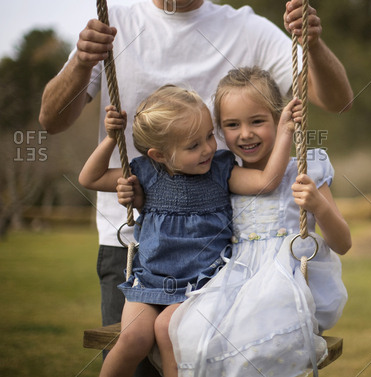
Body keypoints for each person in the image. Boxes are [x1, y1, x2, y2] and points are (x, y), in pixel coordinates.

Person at [39, 0, 352, 374]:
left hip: (216, 260)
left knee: (197, 362)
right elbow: (51, 121)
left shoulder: (248, 29)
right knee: (132, 353)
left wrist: (313, 45)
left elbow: (336, 99)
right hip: (130, 242)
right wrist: (80, 61)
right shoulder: (117, 25)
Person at [119, 67, 350, 376]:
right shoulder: (220, 176)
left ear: (280, 118)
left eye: (257, 121)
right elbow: (172, 199)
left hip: (280, 284)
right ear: (219, 129)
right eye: (231, 124)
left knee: (247, 344)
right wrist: (134, 194)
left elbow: (343, 243)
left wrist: (318, 206)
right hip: (225, 283)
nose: (245, 133)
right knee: (181, 331)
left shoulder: (308, 170)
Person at [78, 84, 303, 377]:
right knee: (133, 338)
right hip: (148, 283)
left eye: (210, 136)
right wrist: (111, 139)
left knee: (169, 332)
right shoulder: (145, 173)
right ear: (159, 155)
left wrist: (285, 131)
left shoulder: (221, 170)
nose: (209, 148)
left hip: (201, 288)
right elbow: (89, 178)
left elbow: (266, 181)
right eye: (193, 146)